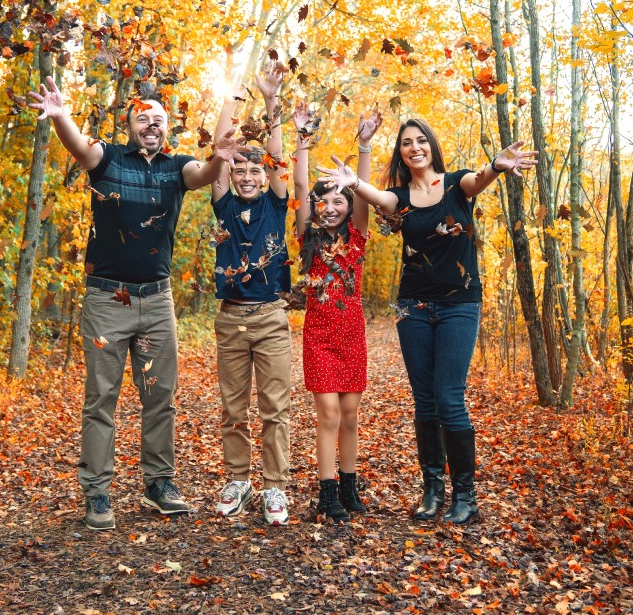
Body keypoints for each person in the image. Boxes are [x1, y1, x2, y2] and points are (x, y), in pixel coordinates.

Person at [29, 76, 244, 531]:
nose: (151, 124)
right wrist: (61, 114)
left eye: (159, 120)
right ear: (128, 124)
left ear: (168, 129)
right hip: (108, 299)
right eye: (142, 118)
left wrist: (219, 158)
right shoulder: (107, 158)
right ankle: (99, 491)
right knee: (101, 399)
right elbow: (79, 150)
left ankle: (159, 483)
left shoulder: (177, 166)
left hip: (157, 302)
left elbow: (204, 176)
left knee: (160, 397)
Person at [320, 118, 537, 524]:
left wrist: (497, 165)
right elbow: (374, 197)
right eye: (406, 143)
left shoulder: (456, 184)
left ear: (431, 146)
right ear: (400, 152)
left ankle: (465, 496)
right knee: (424, 399)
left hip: (459, 305)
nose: (414, 147)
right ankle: (433, 490)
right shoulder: (398, 197)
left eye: (421, 140)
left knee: (449, 397)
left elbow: (478, 179)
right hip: (413, 307)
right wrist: (352, 181)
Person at [209, 60, 294, 526]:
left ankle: (275, 488)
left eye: (253, 171)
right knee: (233, 407)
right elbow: (220, 154)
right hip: (230, 318)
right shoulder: (222, 205)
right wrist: (229, 96)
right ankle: (238, 479)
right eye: (239, 168)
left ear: (264, 177)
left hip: (270, 317)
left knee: (275, 406)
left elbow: (279, 157)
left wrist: (270, 100)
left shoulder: (275, 205)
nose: (245, 175)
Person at [294, 102, 382, 523]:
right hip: (318, 336)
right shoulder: (307, 238)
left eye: (338, 201)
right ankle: (326, 491)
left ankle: (349, 485)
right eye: (323, 201)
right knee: (327, 414)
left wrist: (364, 147)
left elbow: (362, 193)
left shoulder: (358, 239)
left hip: (352, 334)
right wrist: (303, 141)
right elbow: (298, 186)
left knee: (350, 415)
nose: (331, 207)